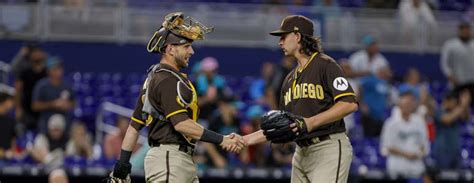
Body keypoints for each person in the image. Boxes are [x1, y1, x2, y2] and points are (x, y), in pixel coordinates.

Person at [107, 12, 245, 183]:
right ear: (170, 49)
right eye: (186, 46)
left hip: (176, 159)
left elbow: (134, 126)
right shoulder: (167, 79)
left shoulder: (156, 77)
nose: (192, 51)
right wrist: (221, 139)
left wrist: (122, 164)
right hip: (169, 158)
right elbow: (181, 124)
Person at [243, 15, 358, 183]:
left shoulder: (325, 64)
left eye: (283, 37)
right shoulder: (289, 79)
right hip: (301, 153)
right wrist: (245, 140)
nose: (280, 42)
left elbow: (349, 104)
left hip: (327, 148)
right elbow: (281, 126)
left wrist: (311, 122)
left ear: (297, 36)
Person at [380, 91, 430, 180]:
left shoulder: (420, 122)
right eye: (405, 104)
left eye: (409, 104)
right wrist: (406, 154)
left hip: (416, 169)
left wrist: (418, 154)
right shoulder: (391, 123)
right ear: (399, 105)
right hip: (397, 170)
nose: (407, 107)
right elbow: (386, 147)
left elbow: (425, 144)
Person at [32, 57, 75, 133]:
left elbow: (74, 104)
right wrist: (53, 104)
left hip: (64, 127)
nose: (58, 71)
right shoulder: (41, 86)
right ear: (49, 71)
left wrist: (67, 105)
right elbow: (35, 106)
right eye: (55, 69)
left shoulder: (67, 85)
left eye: (60, 68)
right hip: (46, 127)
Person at [432, 90, 471, 170]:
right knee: (443, 177)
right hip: (442, 151)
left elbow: (466, 118)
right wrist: (462, 105)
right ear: (446, 101)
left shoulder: (456, 112)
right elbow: (448, 119)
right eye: (453, 102)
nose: (454, 105)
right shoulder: (438, 111)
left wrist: (466, 104)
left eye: (455, 103)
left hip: (455, 151)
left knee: (456, 177)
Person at [440, 22, 474, 105]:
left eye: (467, 30)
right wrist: (450, 75)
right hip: (457, 82)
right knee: (455, 106)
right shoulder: (450, 45)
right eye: (463, 30)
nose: (466, 32)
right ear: (459, 31)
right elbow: (444, 63)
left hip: (472, 82)